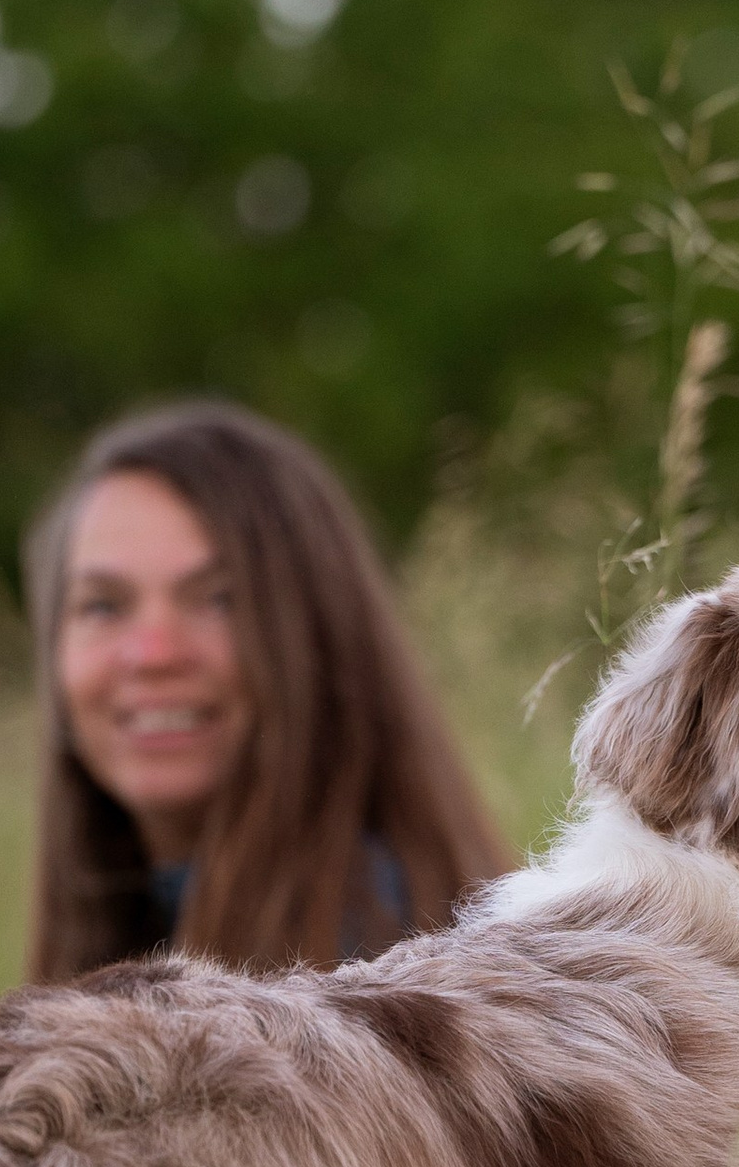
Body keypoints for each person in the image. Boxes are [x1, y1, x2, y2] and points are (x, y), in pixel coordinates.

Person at [25, 399, 503, 981]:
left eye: (218, 599)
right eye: (104, 605)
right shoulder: (128, 928)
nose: (152, 654)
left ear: (318, 636)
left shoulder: (377, 968)